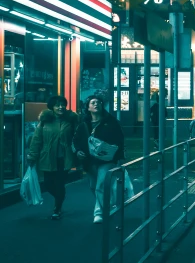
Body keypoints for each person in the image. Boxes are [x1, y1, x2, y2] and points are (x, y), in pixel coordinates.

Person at [73, 96, 125, 224]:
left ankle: (99, 213)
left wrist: (119, 157)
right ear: (88, 107)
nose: (96, 104)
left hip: (106, 160)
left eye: (98, 102)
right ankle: (107, 204)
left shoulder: (111, 122)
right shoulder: (84, 124)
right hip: (89, 161)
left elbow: (120, 140)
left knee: (100, 185)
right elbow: (76, 140)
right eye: (93, 103)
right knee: (94, 186)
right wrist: (77, 151)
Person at [27, 96, 79, 219]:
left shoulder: (71, 120)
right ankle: (60, 197)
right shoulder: (45, 121)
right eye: (57, 105)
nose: (60, 107)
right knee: (48, 184)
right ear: (52, 107)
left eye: (62, 104)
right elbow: (37, 139)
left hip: (64, 158)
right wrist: (32, 155)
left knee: (60, 183)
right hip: (48, 157)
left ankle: (57, 208)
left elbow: (78, 138)